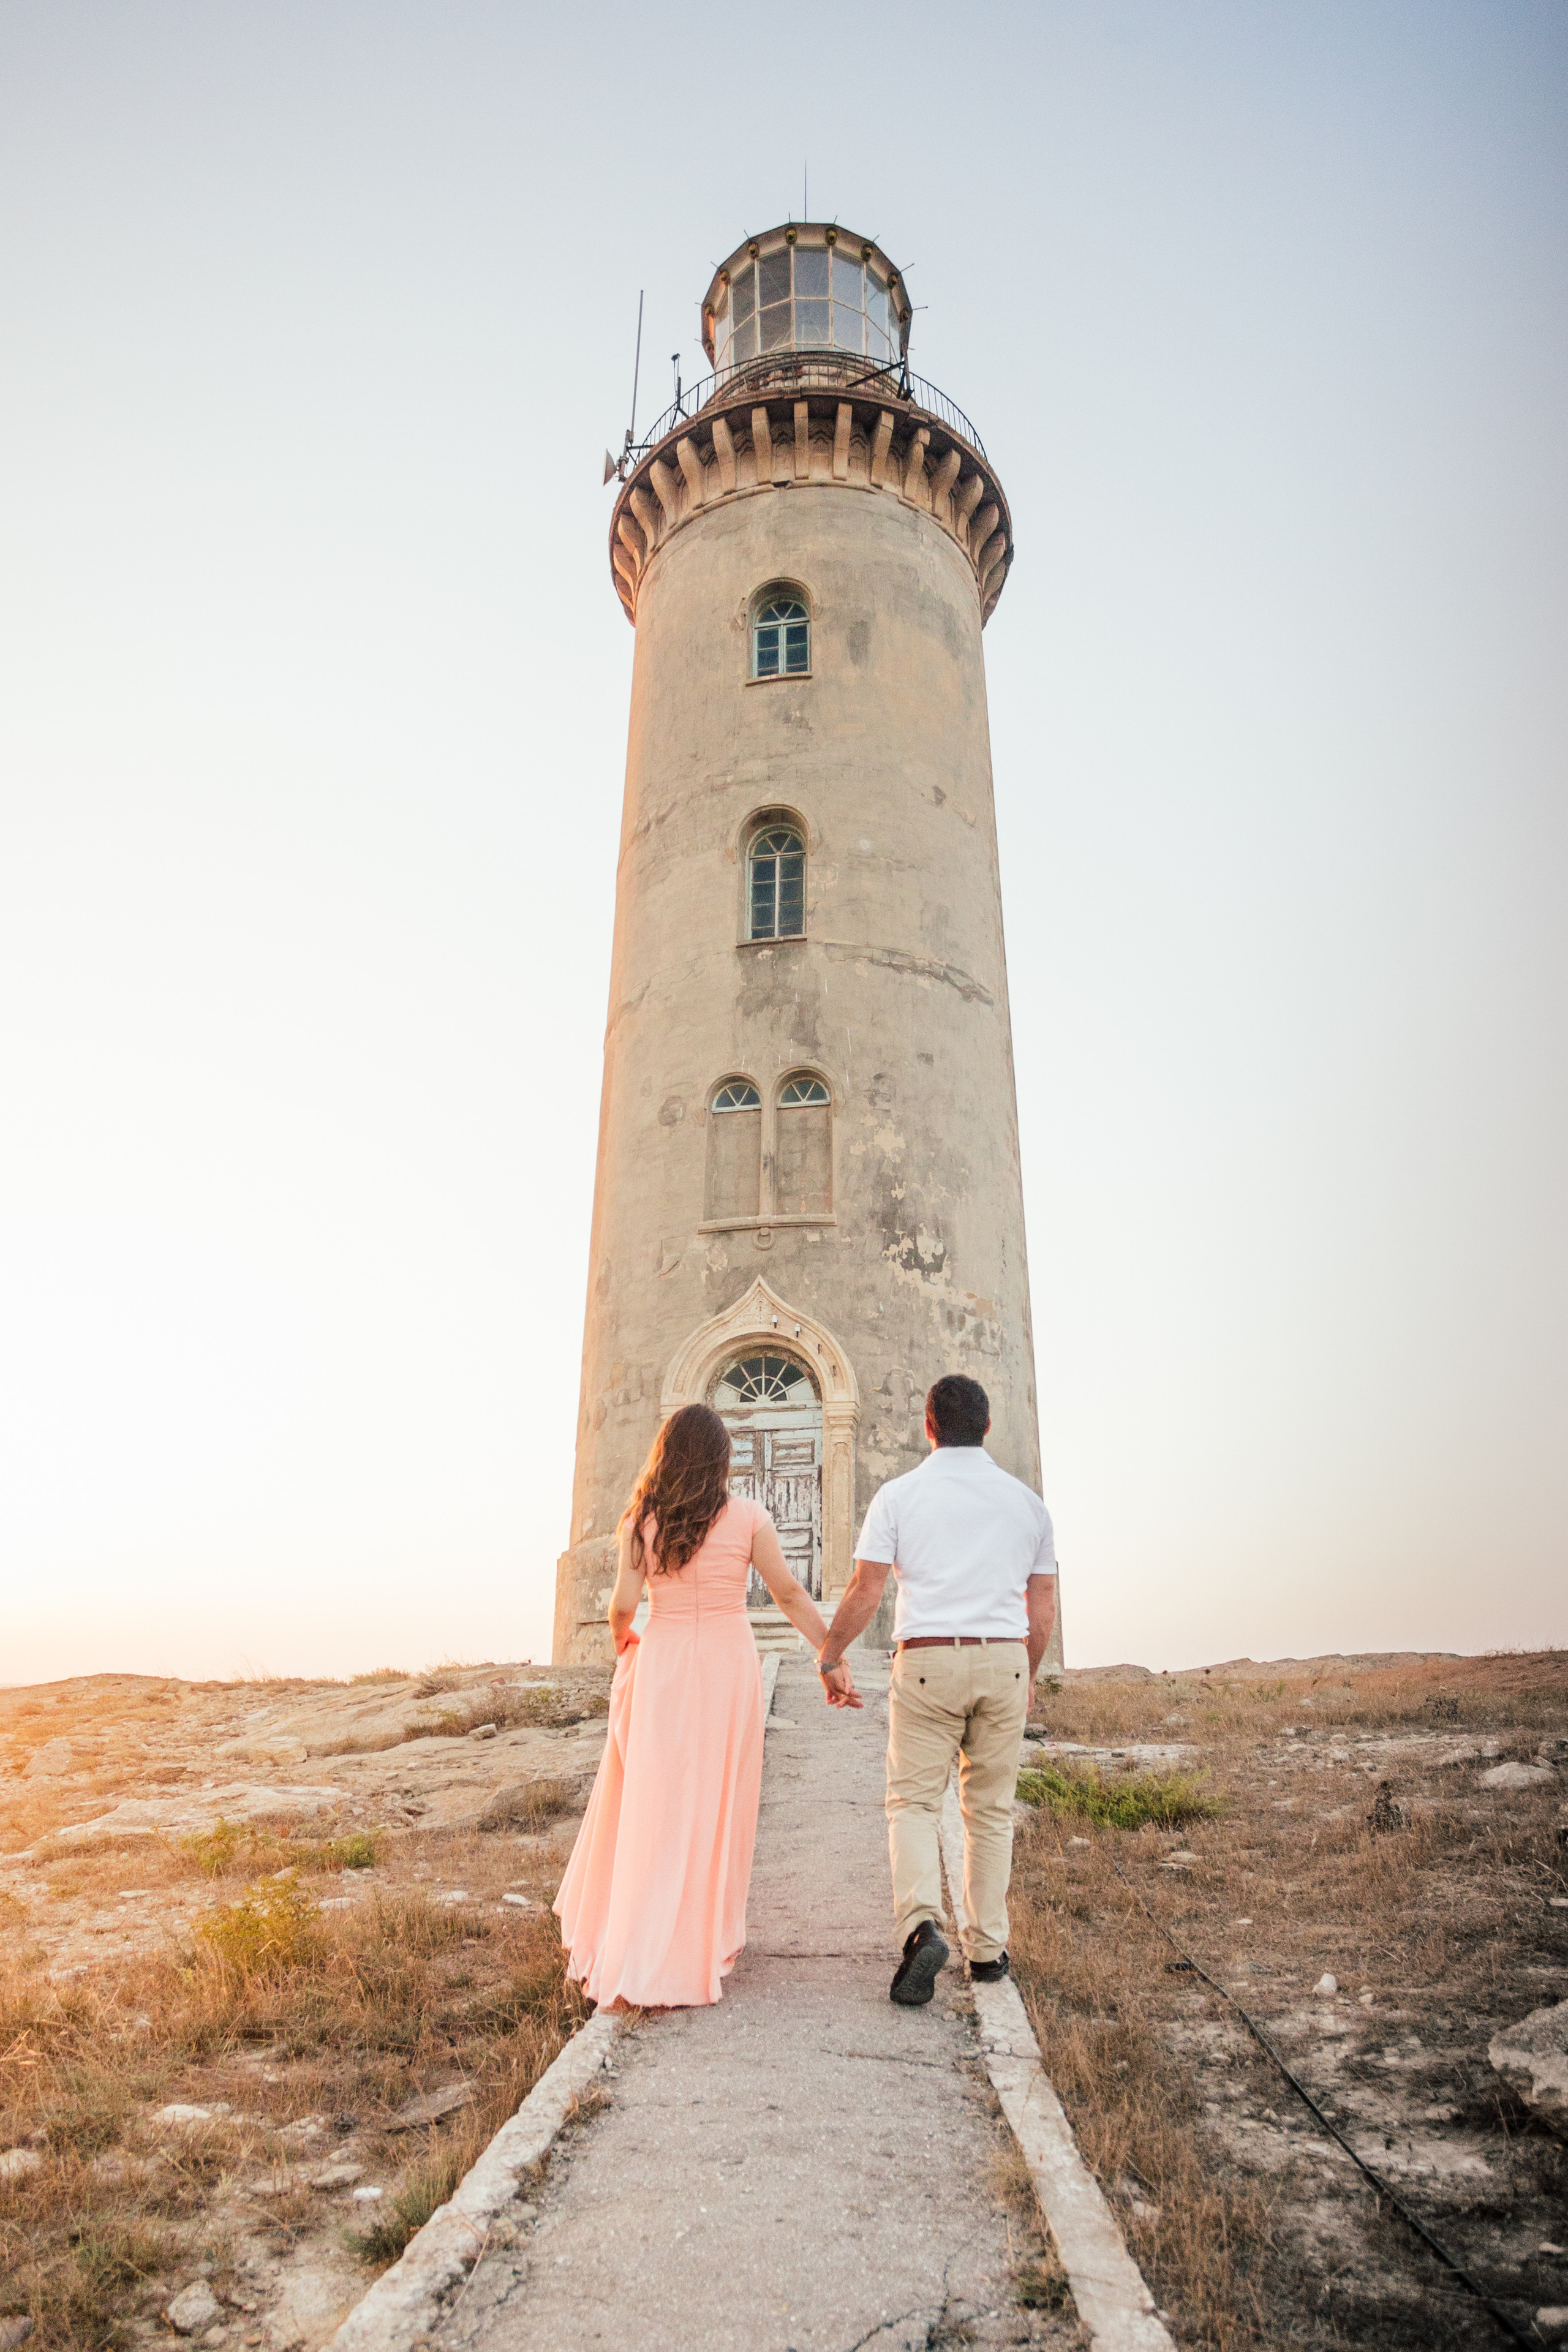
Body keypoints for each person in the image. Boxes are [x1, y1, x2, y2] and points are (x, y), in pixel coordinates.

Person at [555, 1401, 860, 2009]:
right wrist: (831, 1654)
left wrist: (626, 1645)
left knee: (658, 1799)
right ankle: (702, 1939)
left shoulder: (641, 1521)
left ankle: (644, 1936)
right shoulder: (747, 1516)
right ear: (723, 1458)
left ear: (665, 1454)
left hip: (664, 1662)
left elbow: (621, 1607)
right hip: (726, 1666)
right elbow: (790, 1593)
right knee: (718, 1800)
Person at [814, 1373, 1056, 2007]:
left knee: (914, 1804)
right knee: (990, 1810)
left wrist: (831, 1653)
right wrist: (1027, 1672)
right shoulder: (1026, 1502)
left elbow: (866, 1588)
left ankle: (922, 1928)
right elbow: (1043, 1599)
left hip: (925, 1660)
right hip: (1002, 1658)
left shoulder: (899, 1495)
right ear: (986, 1429)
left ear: (927, 1427)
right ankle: (987, 1953)